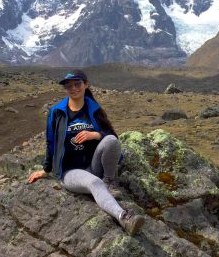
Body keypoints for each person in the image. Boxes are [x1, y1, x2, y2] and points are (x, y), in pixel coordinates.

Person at [26, 69, 145, 236]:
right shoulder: (57, 112)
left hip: (92, 165)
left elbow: (112, 137)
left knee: (110, 141)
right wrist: (46, 169)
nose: (73, 88)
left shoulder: (94, 109)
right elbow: (50, 142)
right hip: (69, 171)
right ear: (65, 89)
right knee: (95, 183)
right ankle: (124, 218)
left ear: (86, 84)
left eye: (77, 84)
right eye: (69, 86)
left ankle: (109, 181)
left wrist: (94, 135)